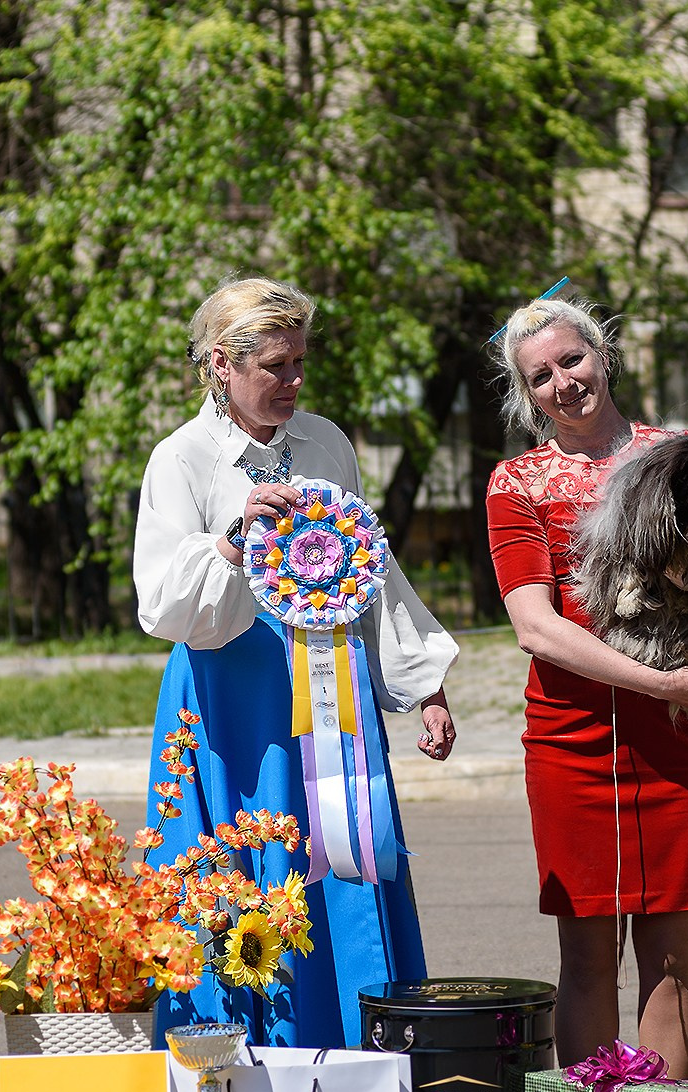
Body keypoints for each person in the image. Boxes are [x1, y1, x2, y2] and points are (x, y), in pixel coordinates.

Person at [134, 276, 457, 1048]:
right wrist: (230, 543)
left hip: (332, 691)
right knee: (239, 881)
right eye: (276, 366)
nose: (294, 381)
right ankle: (233, 1081)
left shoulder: (327, 442)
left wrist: (425, 687)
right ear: (221, 364)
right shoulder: (179, 459)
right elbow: (160, 600)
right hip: (228, 701)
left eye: (300, 363)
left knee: (343, 862)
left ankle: (357, 1063)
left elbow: (371, 570)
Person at [486, 295, 688, 1079]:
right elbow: (536, 627)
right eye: (542, 376)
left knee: (670, 963)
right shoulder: (516, 481)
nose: (564, 382)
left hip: (684, 735)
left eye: (573, 360)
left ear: (604, 356)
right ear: (528, 396)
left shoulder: (684, 455)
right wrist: (662, 680)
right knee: (587, 958)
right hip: (572, 740)